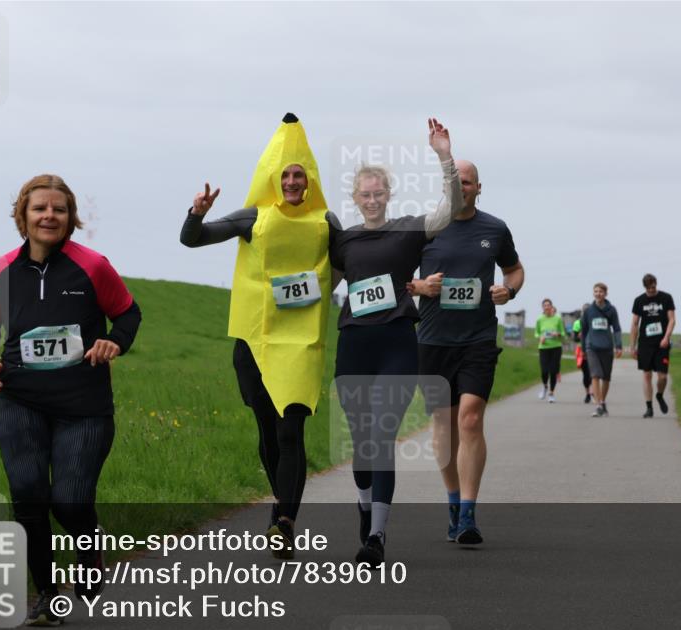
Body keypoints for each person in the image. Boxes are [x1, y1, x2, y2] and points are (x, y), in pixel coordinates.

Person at [0, 174, 142, 626]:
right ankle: (47, 595)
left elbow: (127, 313)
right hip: (18, 397)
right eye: (39, 208)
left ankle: (89, 553)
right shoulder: (1, 270)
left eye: (59, 209)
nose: (49, 215)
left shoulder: (93, 266)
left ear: (70, 218)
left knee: (69, 501)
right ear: (23, 216)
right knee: (27, 492)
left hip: (82, 404)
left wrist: (114, 343)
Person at [180, 113, 339, 560]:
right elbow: (193, 240)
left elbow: (355, 258)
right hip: (254, 341)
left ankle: (286, 522)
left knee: (291, 430)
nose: (292, 182)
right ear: (273, 178)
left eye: (299, 175)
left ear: (310, 181)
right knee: (267, 433)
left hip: (300, 343)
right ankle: (281, 504)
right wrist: (197, 214)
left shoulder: (326, 221)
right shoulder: (254, 217)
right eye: (285, 174)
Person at [333, 118, 462, 565]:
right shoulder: (343, 240)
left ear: (389, 195)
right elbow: (319, 284)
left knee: (382, 436)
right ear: (355, 199)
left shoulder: (408, 229)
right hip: (353, 346)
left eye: (379, 193)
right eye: (365, 195)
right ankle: (366, 509)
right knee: (362, 442)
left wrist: (444, 156)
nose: (372, 200)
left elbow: (448, 210)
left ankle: (377, 537)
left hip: (396, 344)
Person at [410, 159, 523, 545]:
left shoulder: (494, 228)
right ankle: (454, 502)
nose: (462, 188)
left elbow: (515, 270)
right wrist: (421, 286)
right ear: (447, 188)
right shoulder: (426, 229)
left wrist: (509, 290)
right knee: (444, 425)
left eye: (469, 182)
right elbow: (398, 278)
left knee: (471, 420)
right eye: (455, 182)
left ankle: (469, 516)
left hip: (477, 339)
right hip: (433, 340)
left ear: (478, 188)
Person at [630, 273, 676, 418]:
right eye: (648, 288)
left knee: (662, 377)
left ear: (656, 283)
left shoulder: (666, 298)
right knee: (647, 374)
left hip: (662, 343)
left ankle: (660, 395)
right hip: (645, 343)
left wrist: (666, 337)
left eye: (653, 287)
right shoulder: (639, 301)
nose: (651, 290)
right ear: (645, 287)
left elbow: (672, 320)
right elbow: (635, 324)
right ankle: (649, 407)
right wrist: (632, 346)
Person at [580, 282, 622, 417]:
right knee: (595, 375)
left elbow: (616, 328)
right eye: (596, 291)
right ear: (593, 293)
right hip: (592, 347)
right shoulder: (588, 311)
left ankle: (603, 401)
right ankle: (598, 405)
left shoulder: (611, 310)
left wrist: (619, 346)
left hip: (607, 347)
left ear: (605, 294)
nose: (598, 294)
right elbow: (584, 331)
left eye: (601, 292)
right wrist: (583, 349)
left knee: (606, 378)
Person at [534, 299, 566, 402]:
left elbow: (563, 333)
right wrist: (540, 338)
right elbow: (536, 333)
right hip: (543, 348)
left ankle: (551, 393)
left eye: (548, 305)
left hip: (556, 347)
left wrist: (558, 334)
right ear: (542, 307)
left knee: (553, 371)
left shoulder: (558, 319)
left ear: (552, 307)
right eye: (545, 305)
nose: (547, 307)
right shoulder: (539, 319)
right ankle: (544, 387)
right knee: (544, 371)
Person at [573, 304, 593, 403]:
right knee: (586, 373)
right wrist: (580, 336)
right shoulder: (577, 323)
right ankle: (587, 393)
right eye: (584, 311)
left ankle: (593, 391)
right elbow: (574, 338)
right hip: (581, 350)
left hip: (593, 349)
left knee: (593, 372)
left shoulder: (593, 321)